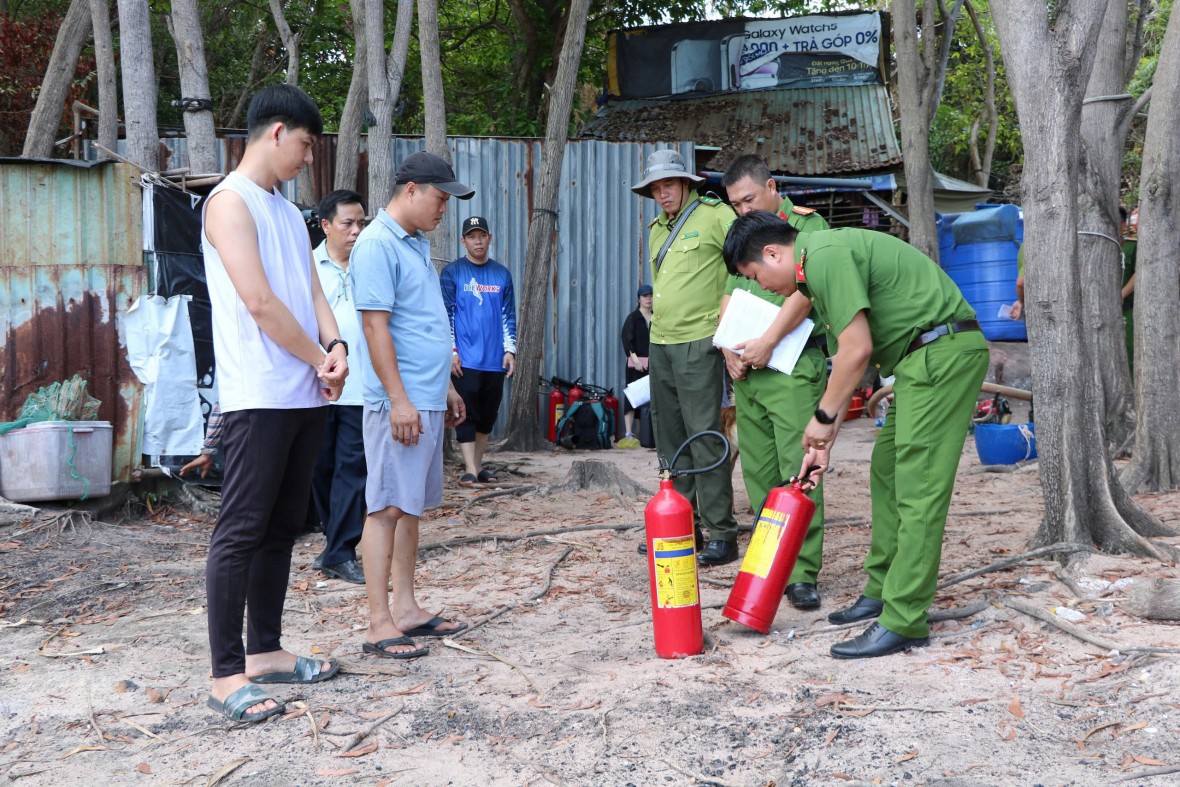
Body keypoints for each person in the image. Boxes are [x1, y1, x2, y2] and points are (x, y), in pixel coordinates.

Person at [722, 212, 989, 659]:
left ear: (773, 253)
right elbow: (851, 363)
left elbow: (857, 349)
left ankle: (904, 619)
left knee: (917, 489)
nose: (761, 286)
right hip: (917, 362)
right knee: (886, 472)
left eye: (755, 275)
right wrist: (825, 442)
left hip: (941, 356)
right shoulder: (813, 273)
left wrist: (822, 418)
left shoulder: (823, 256)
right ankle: (882, 590)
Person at [201, 84, 346, 723]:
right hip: (257, 393)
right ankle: (225, 674)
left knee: (284, 527)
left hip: (303, 393)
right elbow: (260, 303)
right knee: (240, 531)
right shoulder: (228, 204)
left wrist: (335, 344)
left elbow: (312, 293)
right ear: (278, 132)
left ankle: (265, 650)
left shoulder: (287, 213)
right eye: (308, 145)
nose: (309, 159)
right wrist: (319, 360)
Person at [350, 151, 472, 660]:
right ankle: (379, 622)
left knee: (411, 508)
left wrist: (443, 384)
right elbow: (374, 328)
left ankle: (407, 608)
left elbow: (420, 323)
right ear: (412, 190)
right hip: (397, 404)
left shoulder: (415, 243)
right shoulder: (377, 244)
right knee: (386, 507)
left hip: (424, 396)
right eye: (441, 198)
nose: (445, 208)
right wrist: (399, 399)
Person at [720, 154, 829, 610]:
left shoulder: (809, 228)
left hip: (790, 365)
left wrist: (767, 341)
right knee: (760, 473)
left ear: (771, 185)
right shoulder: (743, 237)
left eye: (749, 199)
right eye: (735, 204)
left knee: (797, 471)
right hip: (748, 371)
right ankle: (769, 563)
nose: (744, 210)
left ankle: (801, 571)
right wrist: (727, 347)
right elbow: (728, 295)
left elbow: (805, 294)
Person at [631, 149, 739, 565]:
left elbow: (741, 265)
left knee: (704, 436)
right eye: (656, 188)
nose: (663, 194)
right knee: (671, 439)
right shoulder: (658, 229)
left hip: (700, 341)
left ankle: (722, 533)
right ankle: (682, 525)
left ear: (687, 184)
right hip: (661, 343)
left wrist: (725, 325)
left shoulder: (714, 215)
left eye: (669, 185)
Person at [308, 190, 369, 584]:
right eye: (347, 223)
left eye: (361, 222)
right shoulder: (307, 266)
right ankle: (334, 545)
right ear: (326, 225)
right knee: (321, 467)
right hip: (318, 383)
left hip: (364, 384)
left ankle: (341, 550)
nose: (356, 230)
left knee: (353, 467)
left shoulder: (372, 264)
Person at [440, 216, 517, 485]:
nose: (477, 241)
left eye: (481, 235)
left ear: (489, 238)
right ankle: (470, 468)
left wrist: (510, 351)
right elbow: (446, 315)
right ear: (463, 241)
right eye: (472, 236)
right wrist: (450, 351)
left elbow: (509, 316)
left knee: (487, 415)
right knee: (466, 413)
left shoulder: (502, 274)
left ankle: (478, 465)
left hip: (494, 360)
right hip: (465, 359)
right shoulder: (453, 273)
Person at [618, 284, 652, 448]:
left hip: (653, 365)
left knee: (652, 398)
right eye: (645, 296)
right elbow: (626, 339)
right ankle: (629, 432)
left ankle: (649, 432)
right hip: (635, 364)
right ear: (638, 299)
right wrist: (636, 360)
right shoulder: (633, 318)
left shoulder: (656, 318)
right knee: (632, 397)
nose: (648, 299)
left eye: (651, 295)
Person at [1119, 206, 1137, 376]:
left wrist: (1121, 294)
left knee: (1129, 352)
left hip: (1128, 310)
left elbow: (1141, 271)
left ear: (1124, 225)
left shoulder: (1132, 246)